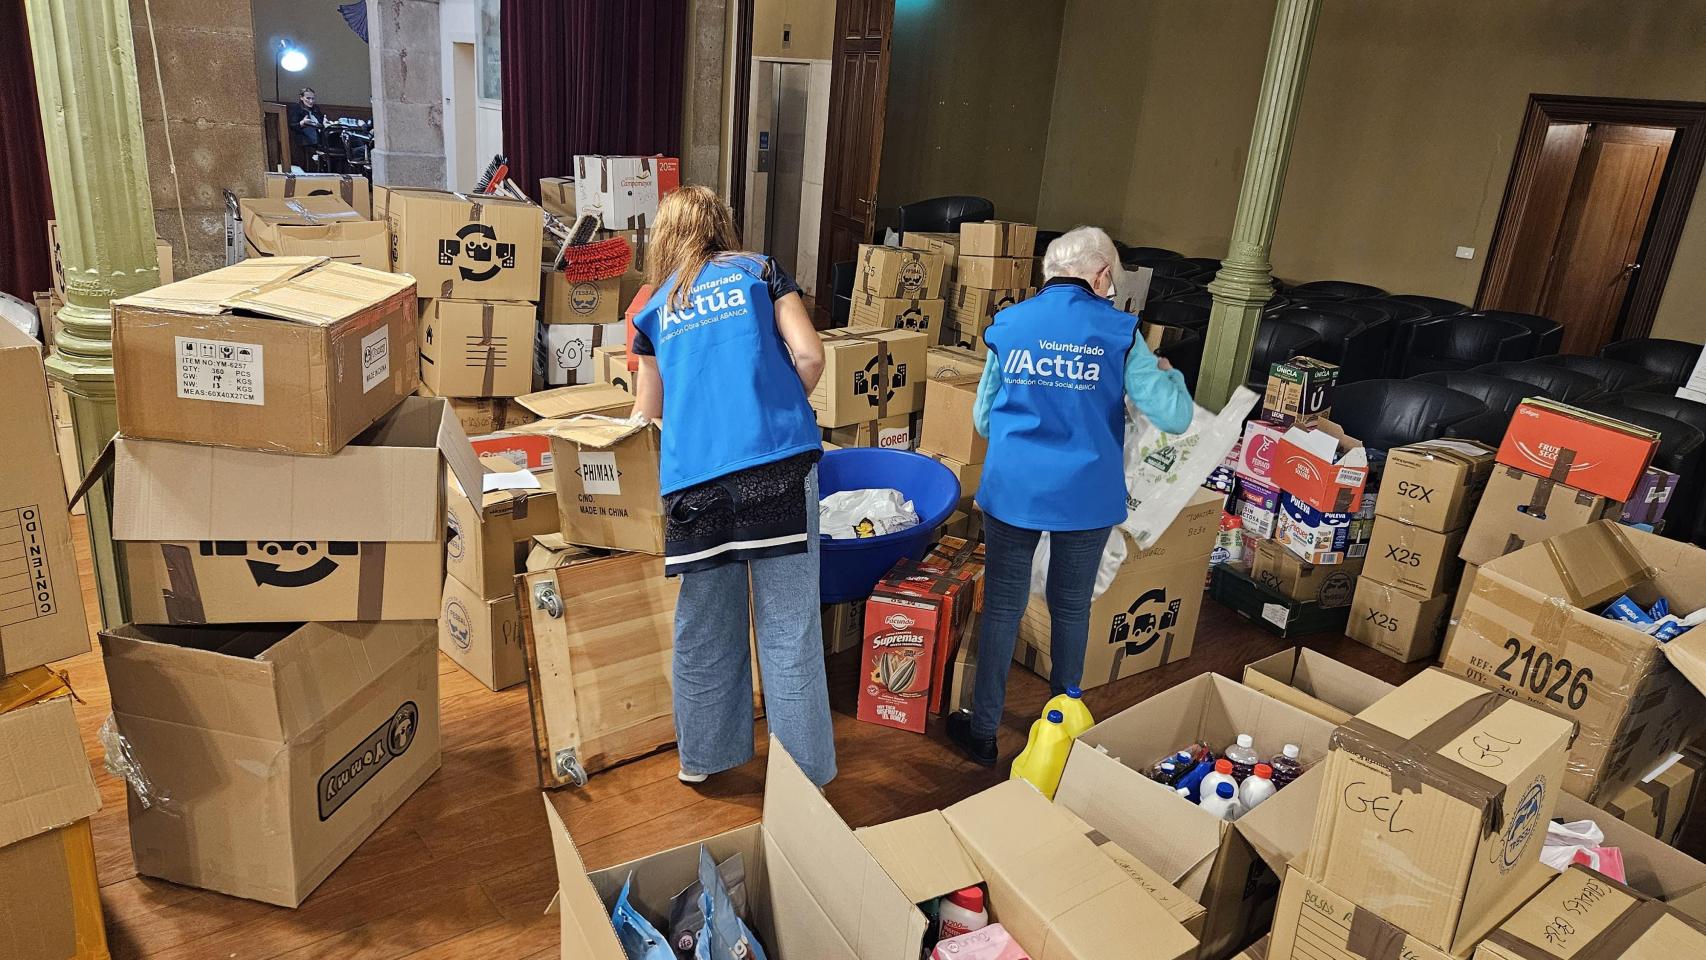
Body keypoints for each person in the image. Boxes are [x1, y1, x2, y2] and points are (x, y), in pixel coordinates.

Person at [947, 225, 1195, 766]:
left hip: (1014, 491)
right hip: (1085, 496)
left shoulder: (1008, 325)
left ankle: (983, 732)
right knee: (1070, 606)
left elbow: (985, 420)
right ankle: (1062, 727)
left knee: (1003, 609)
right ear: (1104, 274)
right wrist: (1168, 379)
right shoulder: (1121, 333)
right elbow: (1174, 416)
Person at [629, 185, 837, 787]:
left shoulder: (654, 310)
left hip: (695, 485)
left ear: (665, 237)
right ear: (722, 224)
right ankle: (803, 779)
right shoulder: (761, 272)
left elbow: (647, 413)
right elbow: (811, 354)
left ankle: (706, 760)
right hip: (776, 465)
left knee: (704, 623)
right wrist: (775, 403)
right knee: (788, 624)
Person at [287, 87, 324, 167]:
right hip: (304, 140)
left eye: (313, 99)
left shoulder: (316, 109)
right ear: (301, 97)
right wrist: (302, 123)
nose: (311, 101)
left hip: (318, 139)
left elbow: (321, 121)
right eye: (308, 98)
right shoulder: (296, 108)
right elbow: (292, 125)